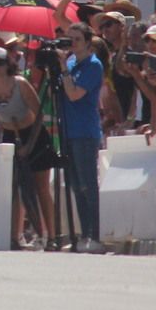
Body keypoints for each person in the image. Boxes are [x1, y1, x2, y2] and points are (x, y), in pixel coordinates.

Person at [0, 46, 56, 249]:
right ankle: (15, 235)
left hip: (33, 134)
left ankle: (52, 236)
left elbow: (38, 113)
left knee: (40, 187)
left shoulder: (20, 84)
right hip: (10, 135)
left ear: (8, 64)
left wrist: (30, 145)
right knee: (14, 187)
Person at [57, 23, 106, 252]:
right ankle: (83, 234)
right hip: (69, 130)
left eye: (77, 39)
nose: (72, 43)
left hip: (85, 131)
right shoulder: (70, 63)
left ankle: (93, 235)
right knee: (76, 186)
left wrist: (63, 70)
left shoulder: (93, 66)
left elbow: (74, 94)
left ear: (88, 41)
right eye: (70, 39)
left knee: (88, 185)